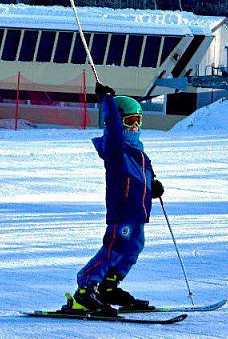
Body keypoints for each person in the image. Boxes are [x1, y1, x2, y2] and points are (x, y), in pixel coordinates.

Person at [67, 81, 164, 315]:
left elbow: (142, 177)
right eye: (129, 121)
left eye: (138, 121)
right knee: (114, 248)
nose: (135, 127)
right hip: (122, 210)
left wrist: (154, 186)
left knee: (134, 248)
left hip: (138, 212)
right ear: (120, 123)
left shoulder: (139, 152)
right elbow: (112, 128)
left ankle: (108, 288)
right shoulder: (115, 148)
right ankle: (85, 290)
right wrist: (108, 102)